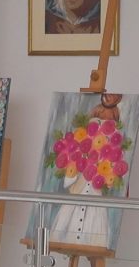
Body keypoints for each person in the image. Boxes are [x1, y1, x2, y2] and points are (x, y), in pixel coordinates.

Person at [50, 94, 123, 248]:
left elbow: (109, 184)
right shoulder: (79, 151)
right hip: (75, 202)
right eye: (98, 122)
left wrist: (106, 172)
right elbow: (68, 182)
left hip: (95, 206)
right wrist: (75, 169)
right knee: (64, 236)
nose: (101, 128)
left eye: (108, 125)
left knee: (94, 241)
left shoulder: (110, 158)